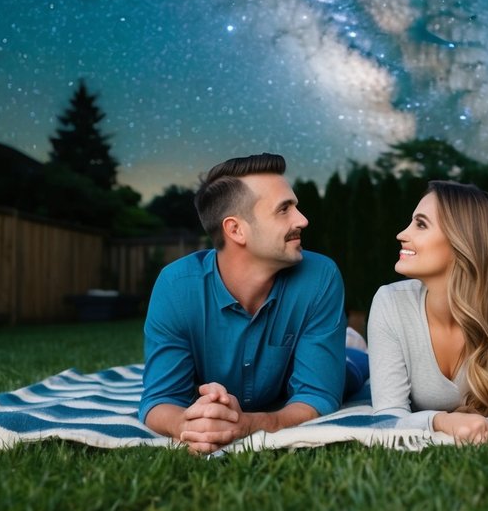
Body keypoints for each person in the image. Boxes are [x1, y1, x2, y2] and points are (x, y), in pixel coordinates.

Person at [139, 152, 367, 454]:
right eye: (284, 210)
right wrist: (189, 424)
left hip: (326, 368)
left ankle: (350, 343)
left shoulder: (320, 276)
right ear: (235, 230)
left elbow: (317, 397)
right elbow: (159, 400)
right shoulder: (176, 287)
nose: (303, 219)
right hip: (229, 385)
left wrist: (246, 425)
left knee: (353, 369)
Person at [367, 180, 488, 444]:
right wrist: (441, 421)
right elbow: (386, 416)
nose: (401, 234)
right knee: (352, 370)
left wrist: (481, 432)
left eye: (420, 224)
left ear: (462, 241)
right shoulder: (390, 302)